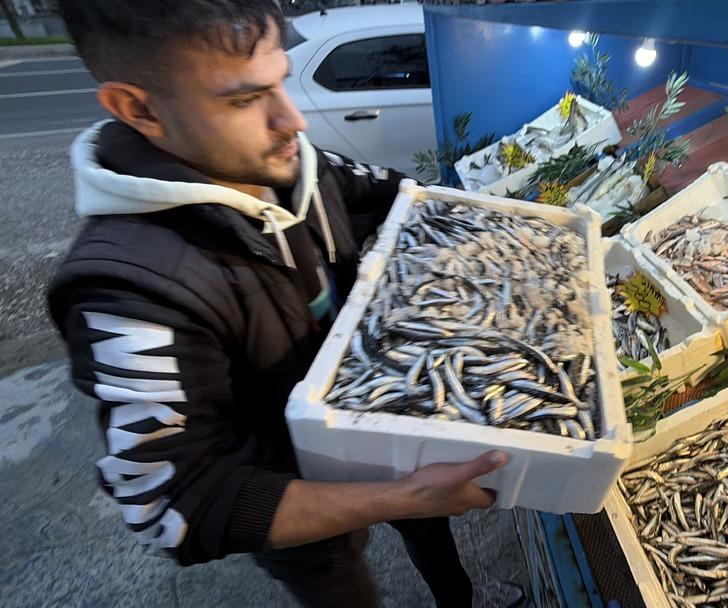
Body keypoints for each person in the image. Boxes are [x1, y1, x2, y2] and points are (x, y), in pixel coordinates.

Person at [47, 1, 512, 606]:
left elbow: (398, 196)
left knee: (430, 531)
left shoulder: (297, 166)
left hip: (386, 420)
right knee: (341, 579)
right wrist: (402, 496)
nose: (292, 120)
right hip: (292, 502)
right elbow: (173, 503)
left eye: (281, 82)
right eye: (245, 99)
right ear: (139, 109)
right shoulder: (131, 290)